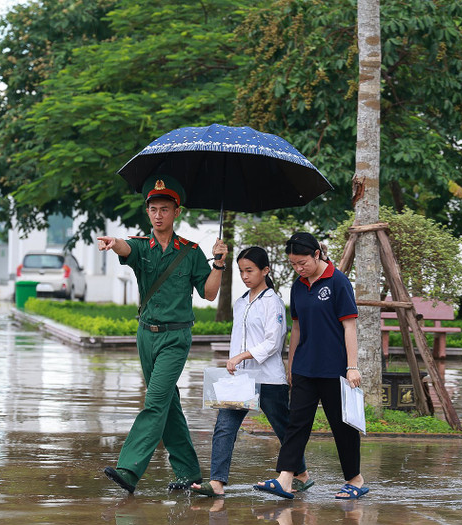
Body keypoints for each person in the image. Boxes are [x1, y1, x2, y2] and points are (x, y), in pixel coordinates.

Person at [97, 176, 228, 494]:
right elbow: (126, 248)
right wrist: (115, 243)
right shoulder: (142, 247)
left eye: (164, 209)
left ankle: (129, 469)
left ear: (176, 212)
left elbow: (209, 294)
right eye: (153, 209)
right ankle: (189, 472)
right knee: (168, 403)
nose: (158, 214)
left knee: (154, 402)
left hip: (175, 337)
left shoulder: (191, 251)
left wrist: (219, 264)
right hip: (146, 335)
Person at [190, 246, 312, 498]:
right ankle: (217, 482)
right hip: (240, 380)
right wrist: (233, 361)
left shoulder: (273, 303)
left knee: (283, 428)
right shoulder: (240, 302)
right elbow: (239, 339)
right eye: (241, 271)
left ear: (265, 271)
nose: (245, 276)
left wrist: (242, 356)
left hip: (268, 378)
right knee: (224, 427)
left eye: (250, 270)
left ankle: (301, 474)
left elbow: (273, 342)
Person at [254, 232, 367, 500]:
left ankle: (355, 479)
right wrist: (291, 363)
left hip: (334, 368)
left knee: (342, 426)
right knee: (296, 423)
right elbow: (296, 326)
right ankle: (285, 478)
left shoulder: (338, 282)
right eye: (293, 264)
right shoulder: (299, 285)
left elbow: (349, 325)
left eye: (302, 262)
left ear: (317, 254)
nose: (298, 268)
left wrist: (353, 366)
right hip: (305, 367)